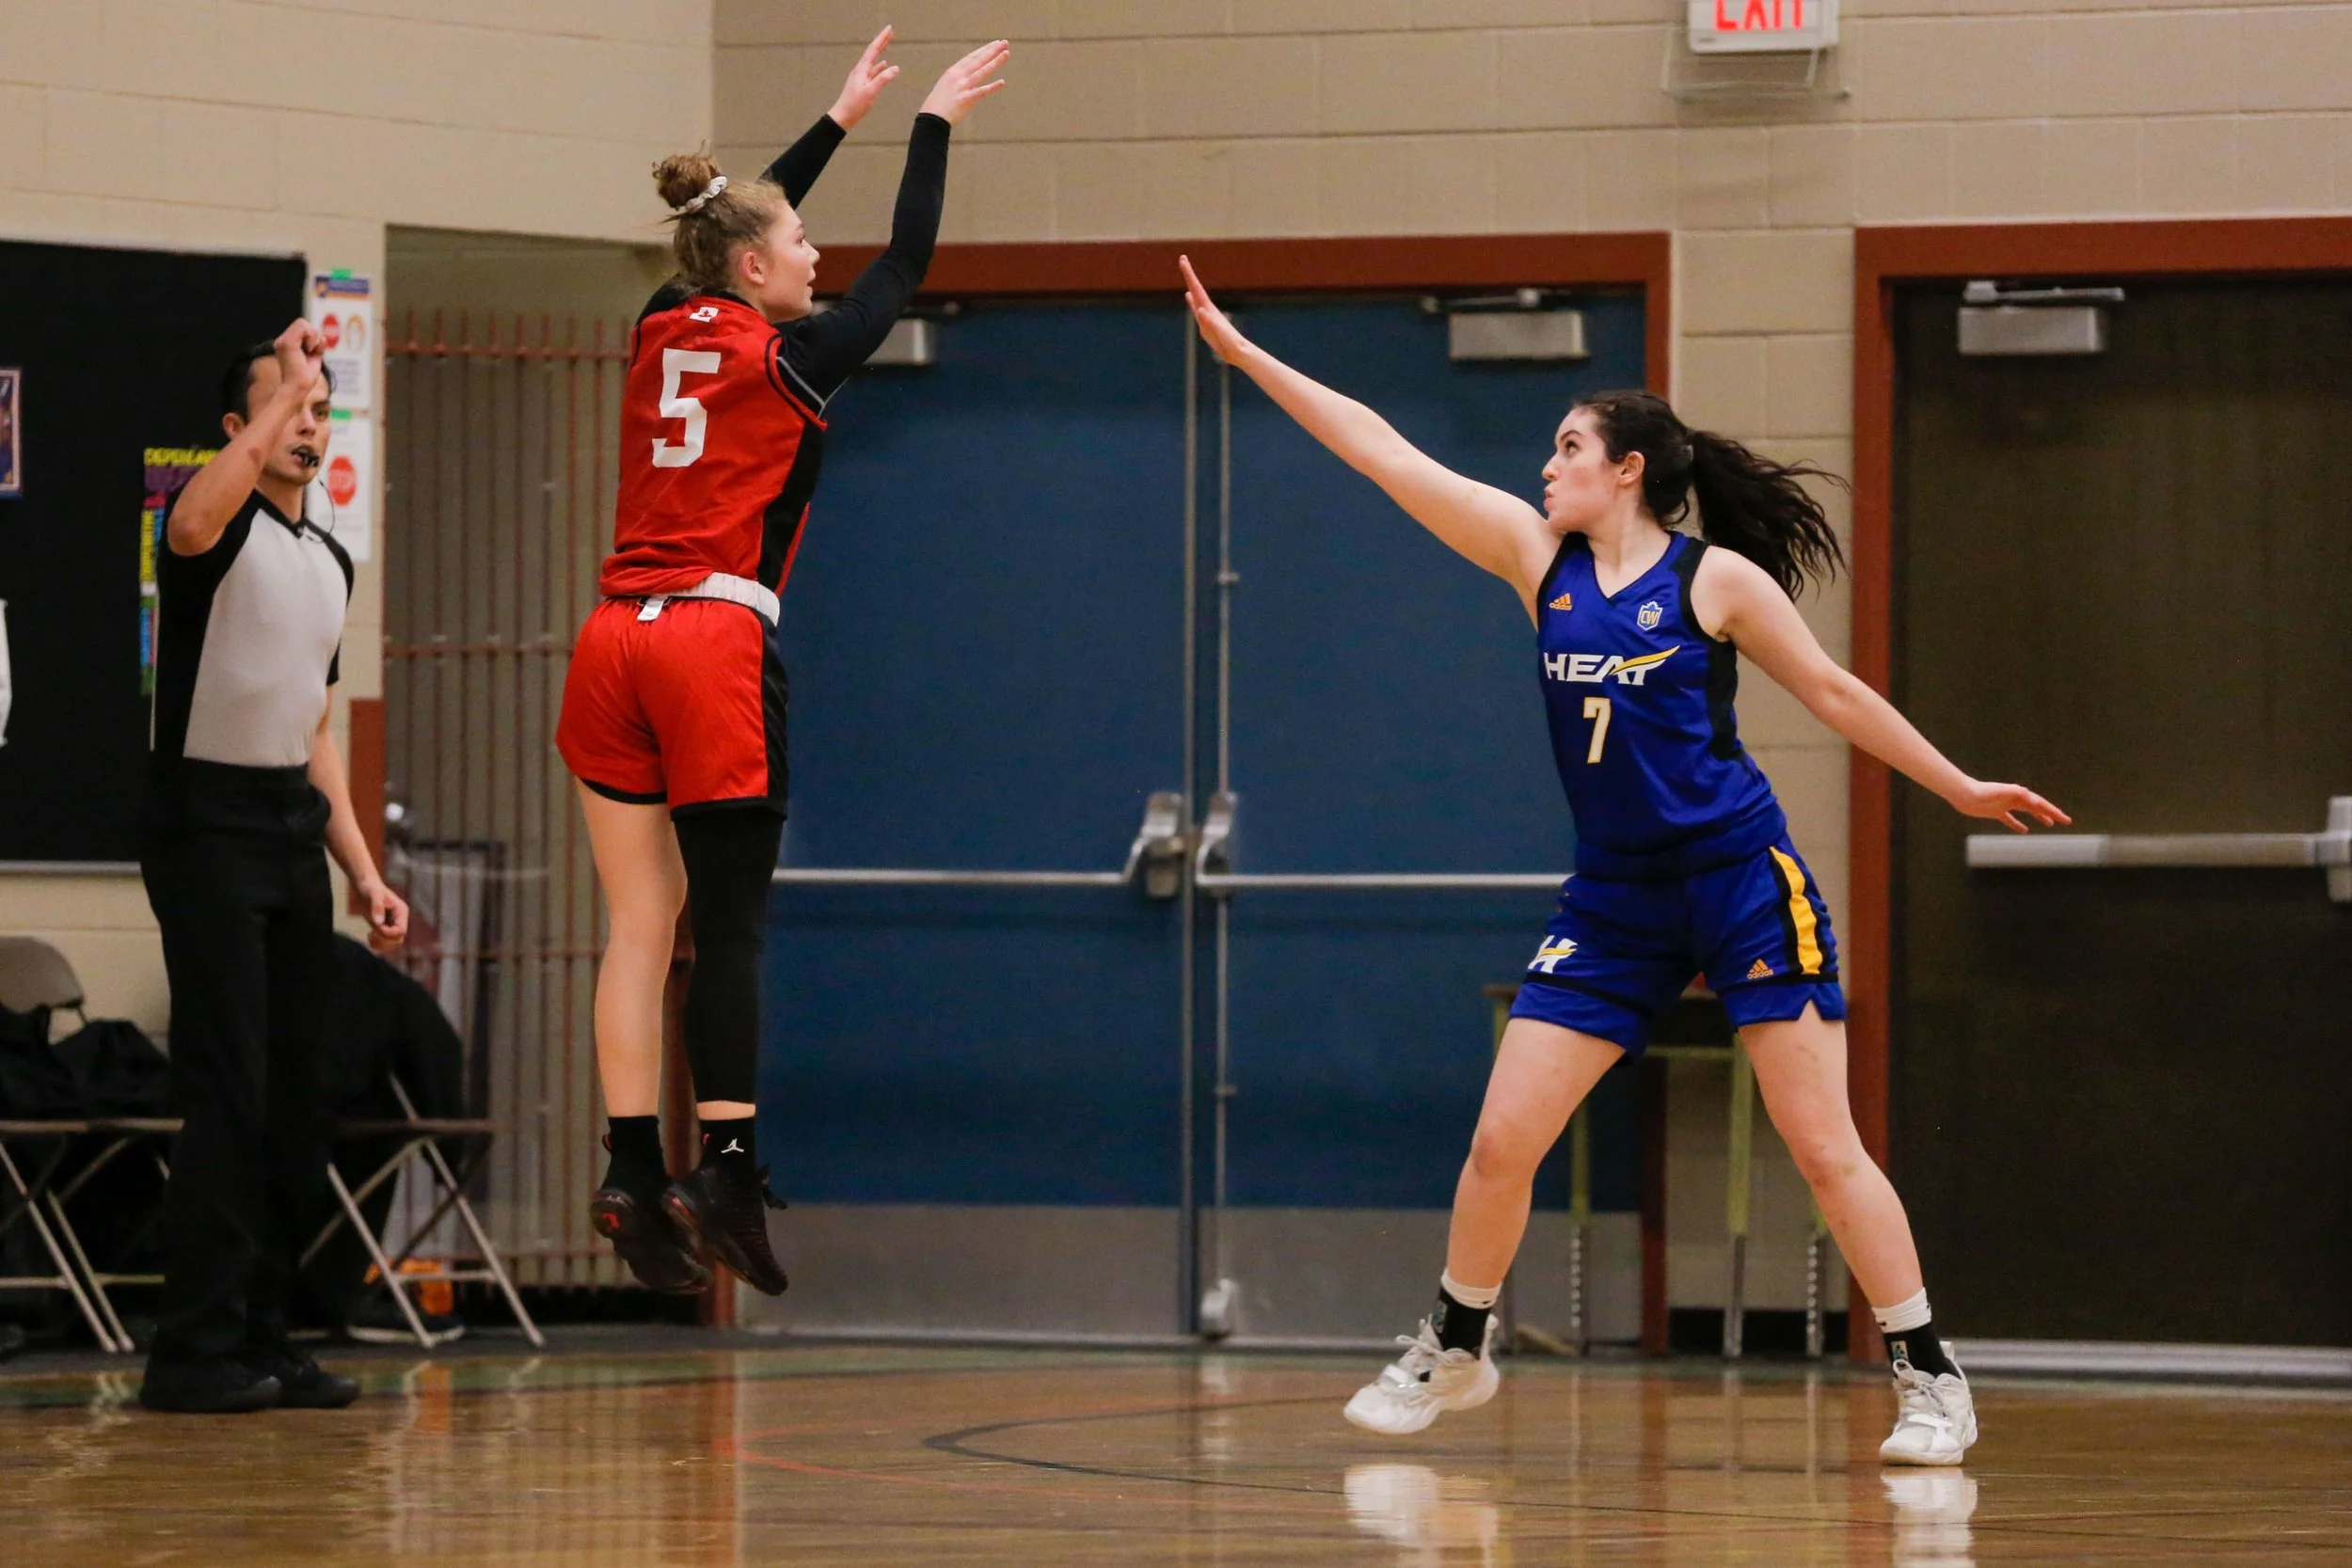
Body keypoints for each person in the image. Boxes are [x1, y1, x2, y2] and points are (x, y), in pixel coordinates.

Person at [1180, 259, 2067, 1466]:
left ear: (1626, 471)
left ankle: (1927, 1370)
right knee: (1501, 1141)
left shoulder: (1715, 581)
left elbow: (1833, 689)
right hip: (1613, 898)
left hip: (1741, 878)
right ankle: (1456, 1340)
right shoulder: (1531, 560)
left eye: (1566, 447)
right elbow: (1386, 454)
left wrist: (1956, 784)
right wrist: (1246, 358)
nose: (1544, 466)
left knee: (1822, 1143)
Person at [555, 30, 1009, 1298]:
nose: (823, 257)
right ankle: (731, 1165)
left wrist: (833, 116)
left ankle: (632, 1166)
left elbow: (720, 224)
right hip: (708, 634)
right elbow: (905, 264)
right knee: (733, 921)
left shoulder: (658, 322)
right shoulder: (796, 353)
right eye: (803, 245)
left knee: (637, 927)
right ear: (758, 270)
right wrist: (926, 126)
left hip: (610, 642)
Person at [139, 322, 411, 1414]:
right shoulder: (205, 526)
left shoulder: (328, 556)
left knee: (301, 1089)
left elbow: (313, 724)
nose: (306, 415)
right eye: (285, 399)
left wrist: (360, 864)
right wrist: (275, 394)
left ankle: (268, 1334)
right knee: (230, 1088)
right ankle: (191, 1352)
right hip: (203, 824)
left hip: (289, 829)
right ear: (238, 425)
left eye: (316, 402)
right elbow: (203, 509)